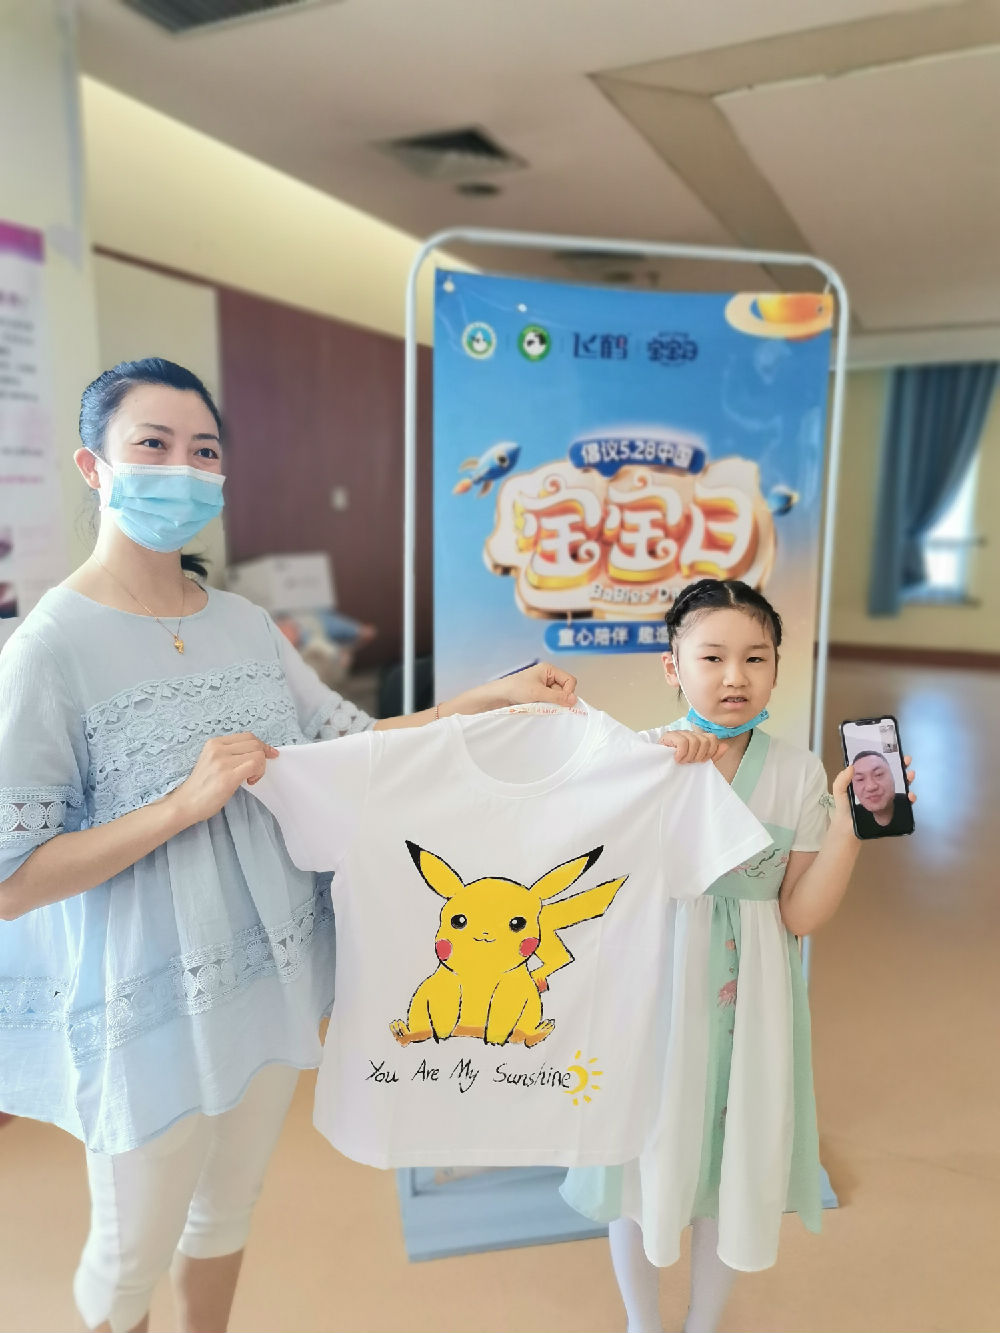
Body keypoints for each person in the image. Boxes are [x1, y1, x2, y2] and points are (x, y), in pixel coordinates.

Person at [0, 358, 579, 1333]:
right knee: (128, 1254)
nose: (183, 468)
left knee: (226, 1212)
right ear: (93, 466)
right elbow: (11, 879)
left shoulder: (244, 623)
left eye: (205, 450)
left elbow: (350, 745)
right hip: (148, 1000)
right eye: (153, 444)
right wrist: (180, 806)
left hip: (269, 973)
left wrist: (491, 697)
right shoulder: (48, 648)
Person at [561, 578, 917, 1333]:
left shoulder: (797, 773)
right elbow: (593, 884)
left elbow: (799, 913)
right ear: (673, 666)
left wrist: (850, 829)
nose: (735, 676)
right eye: (713, 656)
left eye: (756, 657)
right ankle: (642, 1322)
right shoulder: (638, 758)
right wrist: (651, 773)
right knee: (641, 1164)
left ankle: (703, 1323)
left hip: (752, 1000)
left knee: (733, 1162)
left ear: (778, 668)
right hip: (655, 996)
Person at [850, 750, 913, 835]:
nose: (871, 787)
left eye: (878, 774)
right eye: (860, 779)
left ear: (893, 777)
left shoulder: (912, 805)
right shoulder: (852, 818)